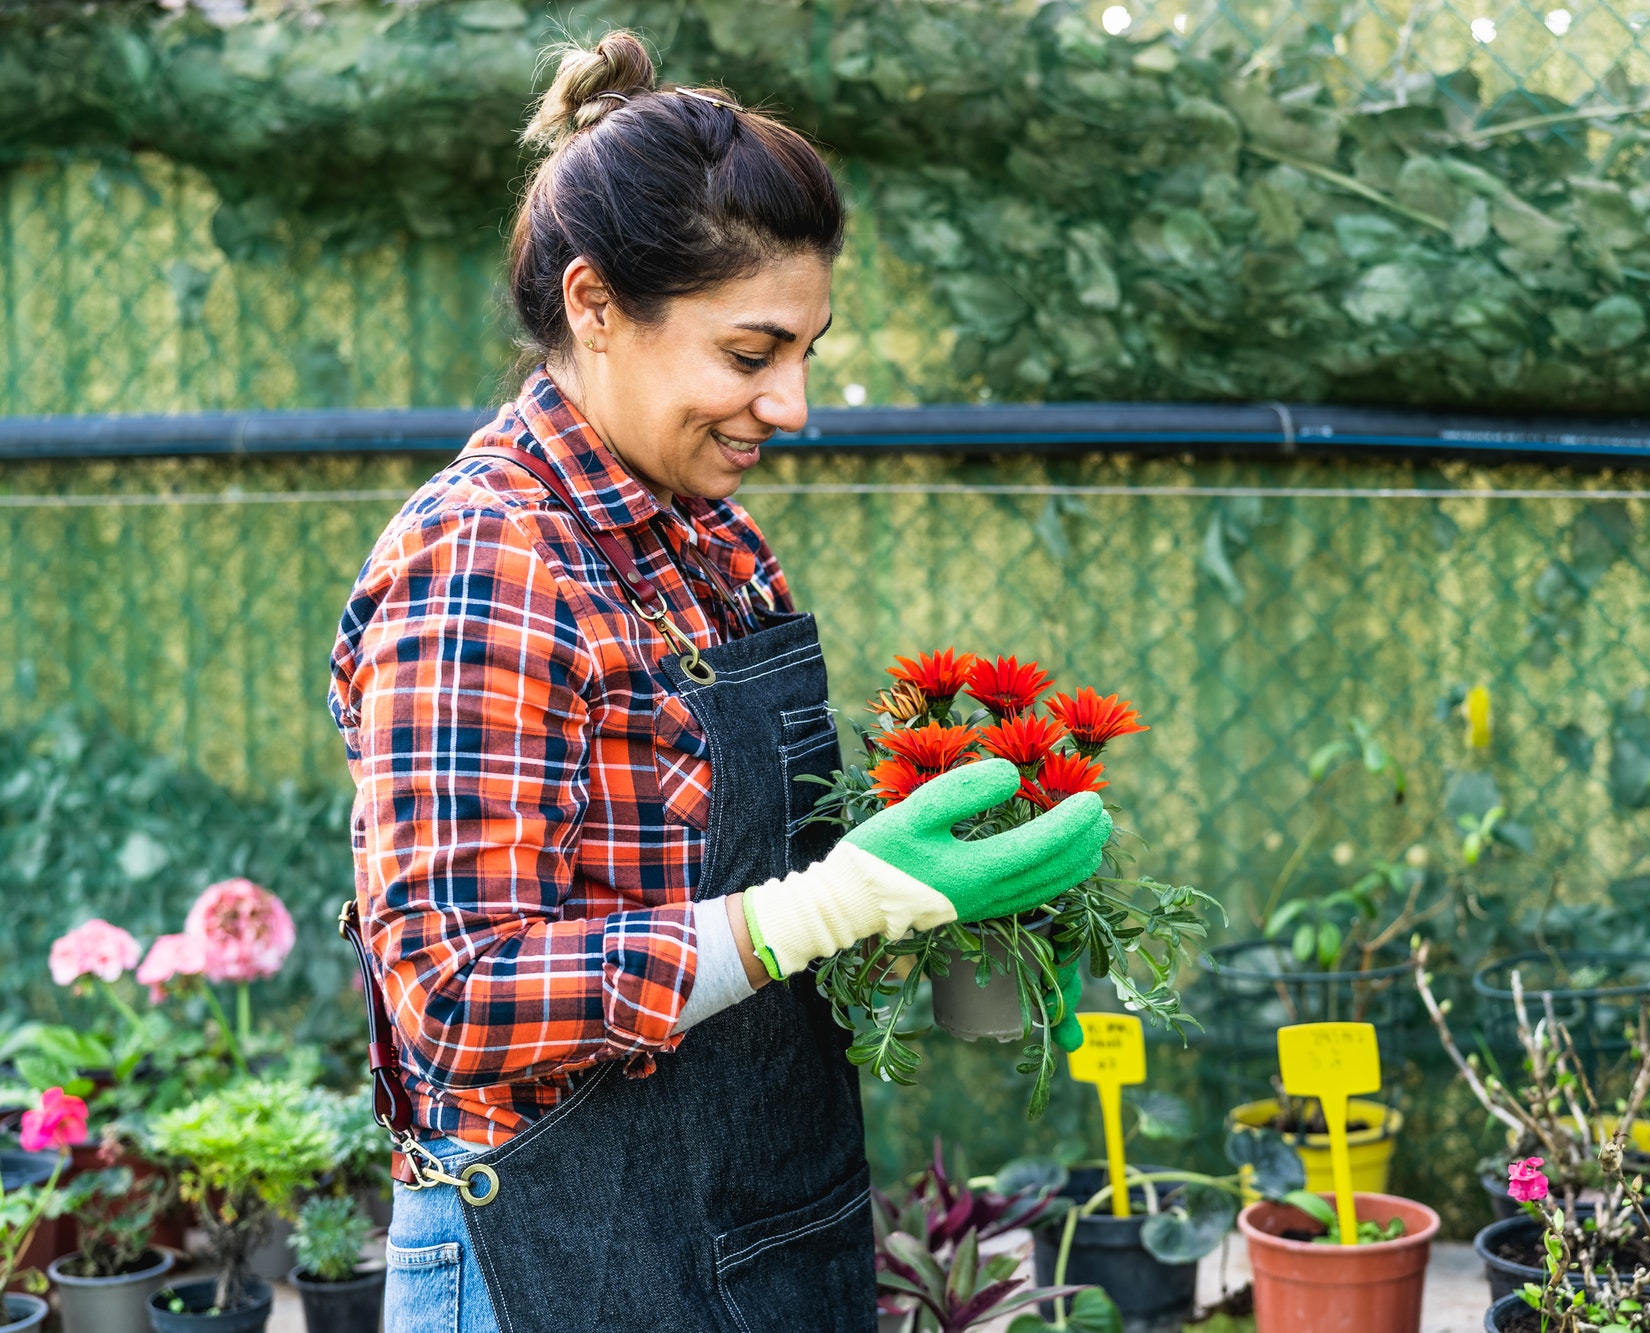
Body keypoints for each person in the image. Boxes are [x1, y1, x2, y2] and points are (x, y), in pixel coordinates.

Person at [327, 32, 1112, 1333]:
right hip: (557, 1263)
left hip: (759, 1232)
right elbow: (458, 991)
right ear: (595, 307)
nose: (793, 403)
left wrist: (950, 927)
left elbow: (748, 882)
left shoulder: (715, 541)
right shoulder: (487, 560)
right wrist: (810, 913)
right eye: (751, 355)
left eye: (806, 350)